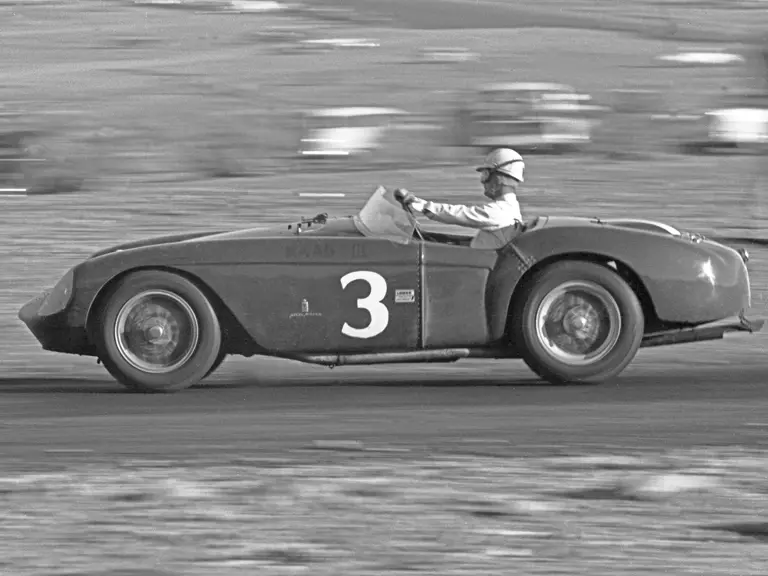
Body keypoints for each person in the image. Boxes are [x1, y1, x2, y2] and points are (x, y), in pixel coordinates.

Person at [394, 147, 525, 248]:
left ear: (499, 179)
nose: (482, 181)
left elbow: (459, 214)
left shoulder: (499, 211)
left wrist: (419, 204)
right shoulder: (511, 209)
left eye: (485, 175)